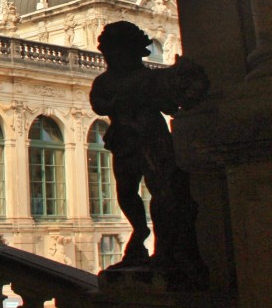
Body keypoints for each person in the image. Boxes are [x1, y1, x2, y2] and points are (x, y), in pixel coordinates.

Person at [89, 21, 209, 287]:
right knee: (126, 191)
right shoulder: (104, 80)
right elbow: (98, 104)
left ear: (131, 51)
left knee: (162, 190)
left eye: (114, 50)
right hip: (123, 139)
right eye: (107, 51)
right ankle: (141, 231)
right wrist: (114, 103)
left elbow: (172, 105)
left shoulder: (150, 78)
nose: (109, 56)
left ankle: (165, 249)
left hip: (152, 138)